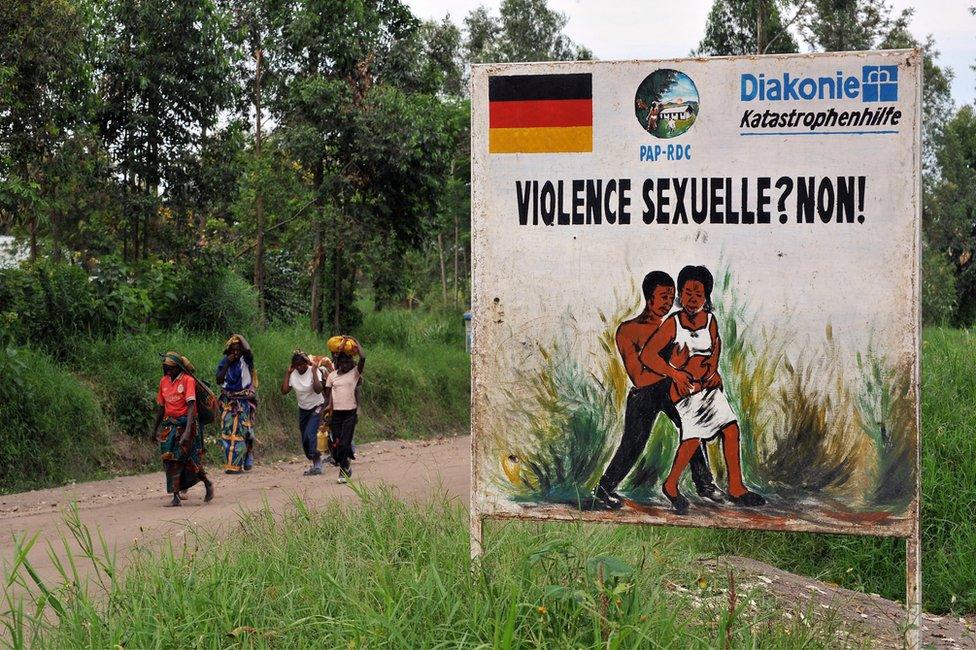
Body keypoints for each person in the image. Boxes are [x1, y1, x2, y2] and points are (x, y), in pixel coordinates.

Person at [639, 265, 766, 515]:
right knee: (692, 439)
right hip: (685, 393)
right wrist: (674, 373)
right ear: (680, 295)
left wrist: (713, 371)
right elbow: (648, 355)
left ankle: (737, 487)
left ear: (706, 296)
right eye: (687, 292)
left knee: (731, 429)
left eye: (698, 293)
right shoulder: (673, 323)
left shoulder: (710, 320)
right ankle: (671, 484)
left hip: (707, 388)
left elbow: (715, 346)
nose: (692, 298)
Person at [593, 271, 720, 510]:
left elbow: (695, 360)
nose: (668, 302)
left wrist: (700, 370)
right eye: (663, 296)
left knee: (693, 425)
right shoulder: (628, 330)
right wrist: (672, 368)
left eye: (671, 296)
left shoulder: (674, 324)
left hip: (672, 388)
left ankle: (705, 484)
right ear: (649, 298)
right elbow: (639, 377)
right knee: (632, 444)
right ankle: (604, 489)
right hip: (644, 395)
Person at [152, 352, 214, 506]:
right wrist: (155, 430)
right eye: (166, 368)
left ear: (178, 368)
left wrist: (187, 431)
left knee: (190, 459)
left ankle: (207, 482)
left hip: (187, 424)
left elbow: (192, 406)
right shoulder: (163, 382)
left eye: (171, 369)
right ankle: (176, 496)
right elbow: (161, 407)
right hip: (169, 425)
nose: (168, 372)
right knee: (170, 459)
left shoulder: (188, 380)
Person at [281, 350, 334, 476]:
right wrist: (288, 373)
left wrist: (314, 371)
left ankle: (317, 464)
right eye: (296, 365)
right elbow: (284, 391)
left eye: (302, 364)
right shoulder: (293, 374)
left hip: (317, 406)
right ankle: (314, 460)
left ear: (306, 363)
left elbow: (318, 390)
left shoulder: (312, 371)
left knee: (310, 434)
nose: (299, 367)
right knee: (304, 438)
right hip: (303, 409)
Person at [325, 336, 366, 484]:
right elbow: (329, 396)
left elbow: (363, 358)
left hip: (350, 413)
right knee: (336, 444)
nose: (344, 364)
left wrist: (355, 340)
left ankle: (343, 472)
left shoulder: (355, 373)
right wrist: (327, 412)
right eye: (341, 361)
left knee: (344, 443)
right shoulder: (332, 376)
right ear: (337, 362)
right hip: (336, 414)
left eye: (347, 361)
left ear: (351, 362)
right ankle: (346, 465)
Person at [216, 334, 257, 473]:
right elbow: (219, 380)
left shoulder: (246, 361)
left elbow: (249, 351)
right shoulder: (225, 362)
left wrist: (239, 337)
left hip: (243, 401)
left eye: (238, 349)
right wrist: (227, 363)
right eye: (233, 349)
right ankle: (232, 465)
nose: (235, 352)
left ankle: (247, 452)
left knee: (243, 432)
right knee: (228, 432)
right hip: (228, 401)